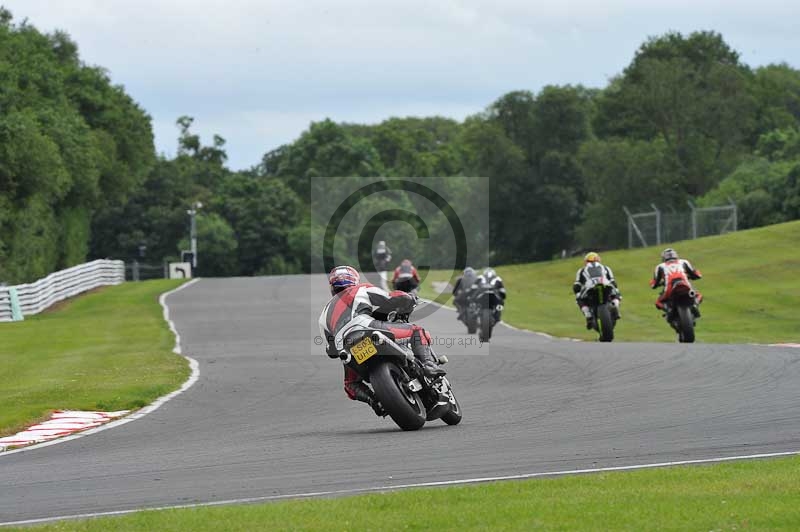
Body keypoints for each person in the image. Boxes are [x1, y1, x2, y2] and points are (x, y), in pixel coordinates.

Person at [319, 265, 445, 416]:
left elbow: (331, 351)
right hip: (366, 327)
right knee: (416, 331)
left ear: (332, 286)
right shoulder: (361, 289)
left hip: (346, 347)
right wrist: (409, 299)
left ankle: (375, 401)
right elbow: (391, 297)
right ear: (354, 279)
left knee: (350, 384)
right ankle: (428, 365)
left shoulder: (323, 315)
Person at [572, 252, 621, 329]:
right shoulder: (606, 268)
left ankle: (588, 315)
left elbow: (577, 285)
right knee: (616, 292)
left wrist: (577, 291)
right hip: (605, 284)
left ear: (586, 261)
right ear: (599, 260)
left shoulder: (581, 270)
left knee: (579, 298)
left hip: (590, 287)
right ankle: (615, 306)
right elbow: (612, 281)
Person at [650, 248, 703, 316]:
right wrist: (695, 276)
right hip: (685, 285)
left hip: (669, 288)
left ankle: (668, 310)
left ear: (663, 258)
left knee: (658, 302)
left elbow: (654, 284)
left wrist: (653, 284)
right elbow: (696, 274)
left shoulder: (660, 266)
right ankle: (695, 304)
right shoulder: (684, 261)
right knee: (698, 295)